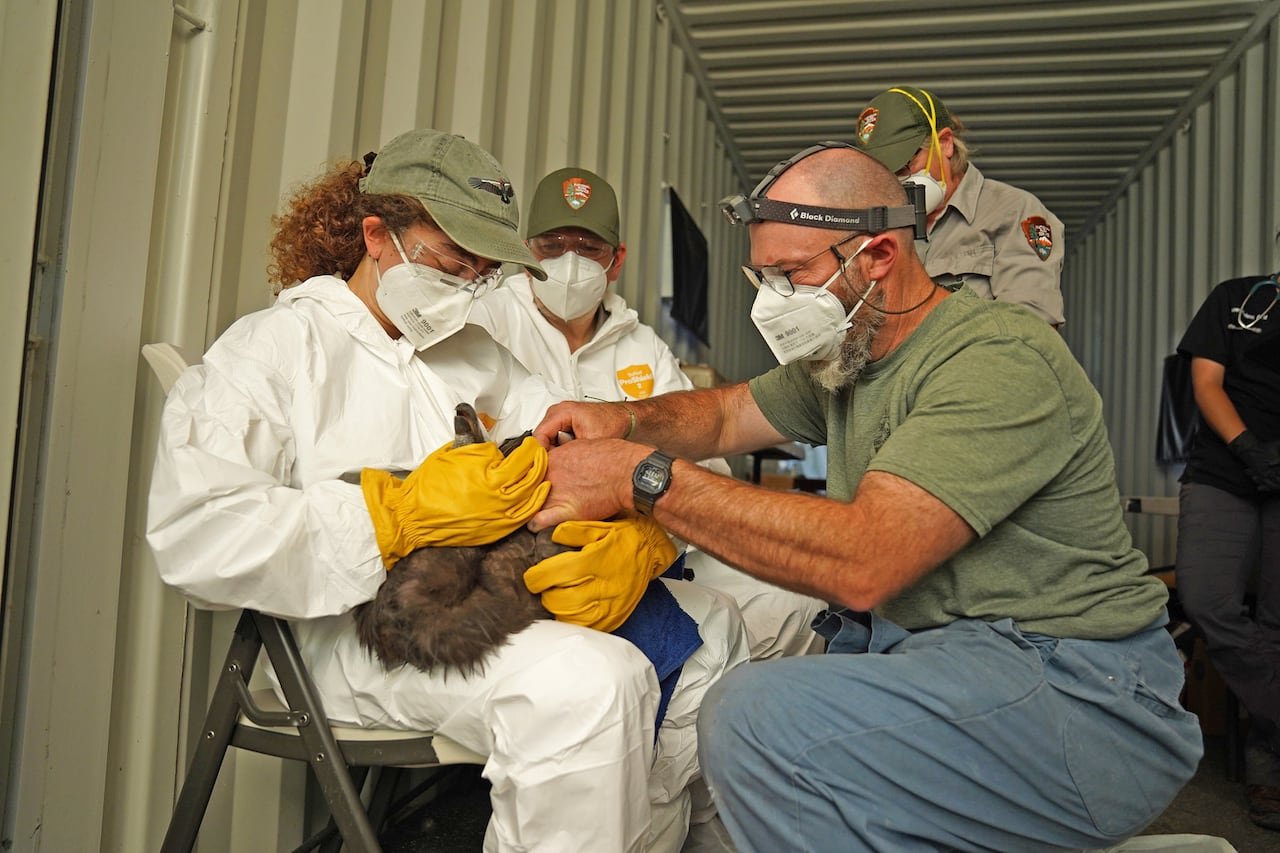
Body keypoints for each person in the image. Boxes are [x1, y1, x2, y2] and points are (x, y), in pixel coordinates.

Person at [527, 142, 1203, 851]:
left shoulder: (998, 357)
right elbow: (725, 414)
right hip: (951, 659)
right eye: (763, 275)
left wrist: (642, 474)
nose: (773, 300)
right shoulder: (848, 356)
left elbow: (866, 561)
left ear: (878, 255)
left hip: (1082, 692)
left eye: (792, 274)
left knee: (754, 717)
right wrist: (624, 419)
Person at [146, 128, 749, 852]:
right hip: (342, 632)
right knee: (591, 684)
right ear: (377, 235)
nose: (467, 286)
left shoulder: (472, 353)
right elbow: (194, 535)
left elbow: (582, 454)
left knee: (714, 628)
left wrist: (642, 540)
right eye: (450, 261)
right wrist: (391, 515)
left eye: (482, 271)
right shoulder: (275, 349)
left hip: (478, 604)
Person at [469, 165, 825, 660]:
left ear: (617, 261)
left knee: (795, 604)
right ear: (529, 252)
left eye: (588, 247)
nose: (569, 261)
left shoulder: (642, 345)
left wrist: (651, 539)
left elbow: (705, 463)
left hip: (643, 533)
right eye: (552, 245)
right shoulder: (486, 322)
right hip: (531, 540)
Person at [1175, 272, 1280, 831]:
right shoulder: (1239, 298)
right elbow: (1207, 382)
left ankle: (1267, 770)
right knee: (1206, 598)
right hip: (1224, 470)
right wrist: (1249, 449)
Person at [852, 84, 1066, 327]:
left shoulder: (1013, 211)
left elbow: (1031, 325)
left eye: (904, 166)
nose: (897, 181)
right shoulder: (879, 225)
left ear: (945, 143)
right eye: (884, 173)